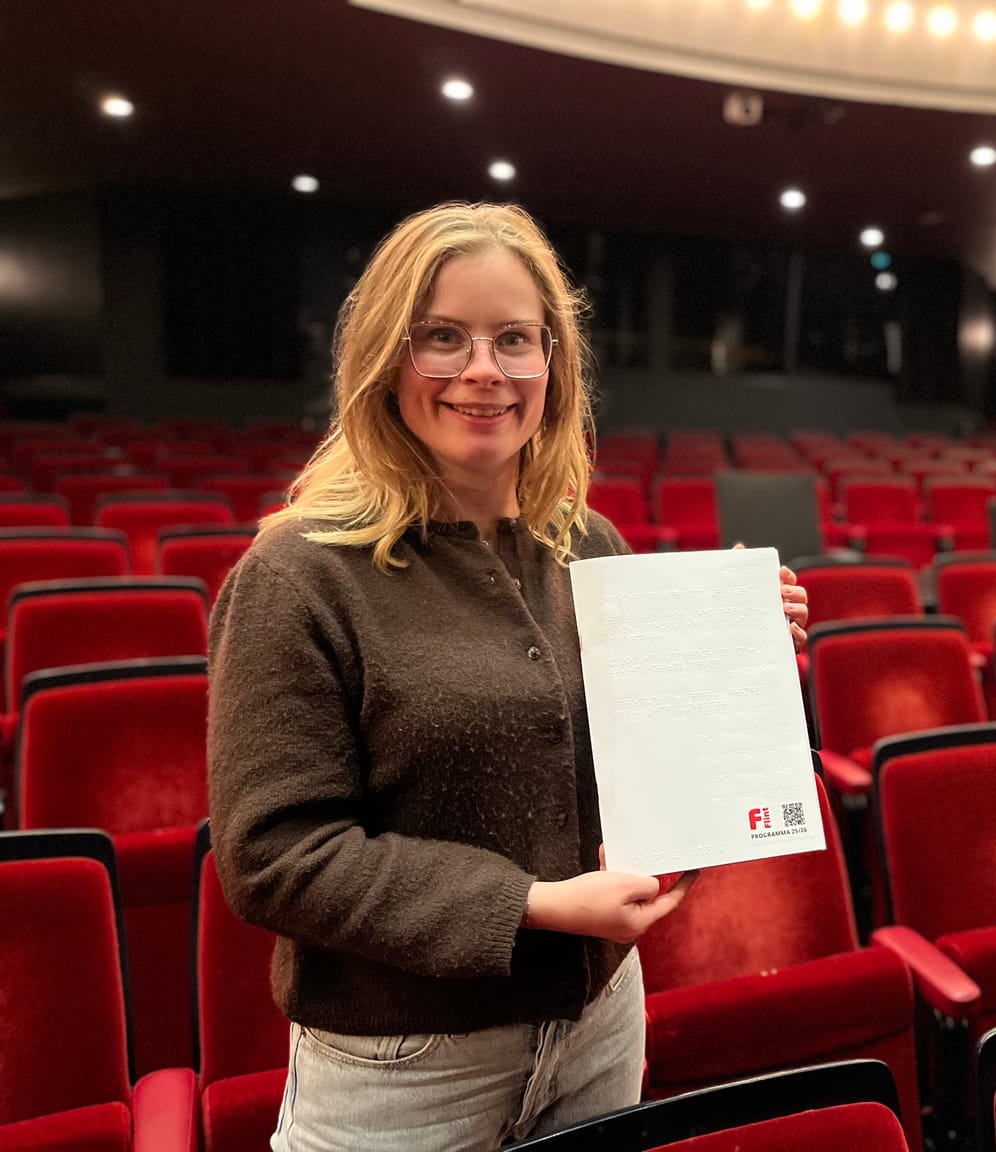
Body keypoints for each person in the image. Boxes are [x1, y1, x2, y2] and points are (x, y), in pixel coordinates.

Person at [207, 201, 810, 1151]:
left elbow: (645, 766)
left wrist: (740, 661)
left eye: (514, 340)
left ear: (552, 365)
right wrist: (531, 907)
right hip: (402, 1067)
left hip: (599, 1028)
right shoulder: (297, 576)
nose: (483, 371)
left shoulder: (590, 545)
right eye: (442, 338)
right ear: (383, 359)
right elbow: (275, 857)